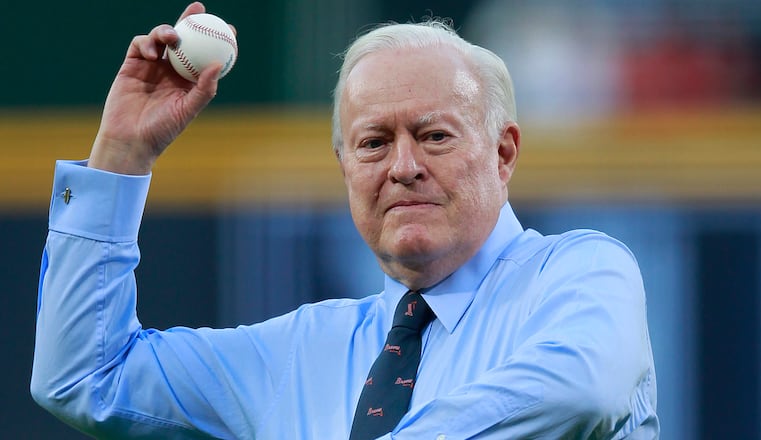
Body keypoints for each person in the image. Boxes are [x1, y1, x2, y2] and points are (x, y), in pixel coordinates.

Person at [31, 2, 659, 439]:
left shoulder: (578, 273)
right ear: (344, 166)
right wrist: (121, 153)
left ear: (504, 152)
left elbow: (584, 390)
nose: (403, 166)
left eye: (435, 136)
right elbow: (83, 377)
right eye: (373, 143)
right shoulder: (304, 352)